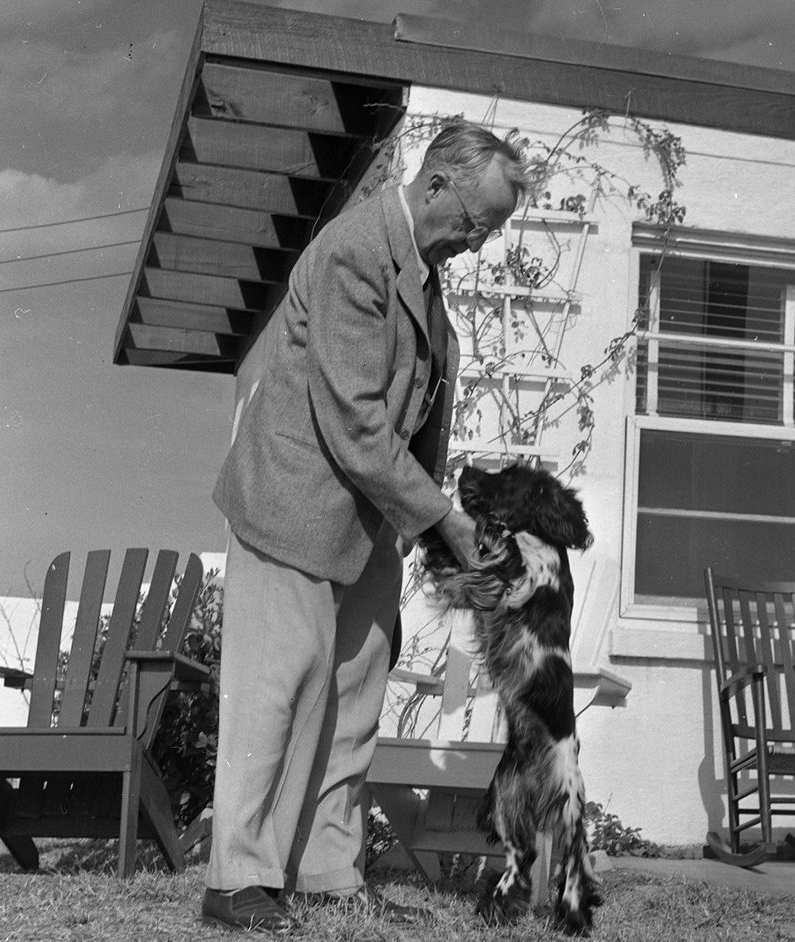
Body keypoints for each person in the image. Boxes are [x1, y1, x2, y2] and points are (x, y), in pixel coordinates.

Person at [201, 122, 530, 932]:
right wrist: (442, 522)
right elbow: (354, 423)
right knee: (273, 695)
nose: (480, 243)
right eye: (478, 222)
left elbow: (417, 421)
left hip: (366, 519)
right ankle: (236, 877)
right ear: (440, 183)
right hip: (291, 507)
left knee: (353, 700)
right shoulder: (356, 252)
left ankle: (322, 869)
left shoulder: (424, 269)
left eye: (493, 231)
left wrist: (436, 531)